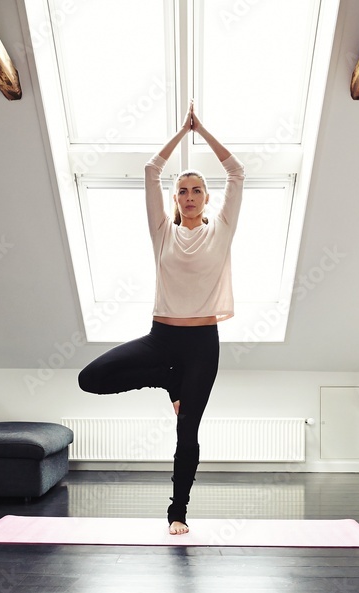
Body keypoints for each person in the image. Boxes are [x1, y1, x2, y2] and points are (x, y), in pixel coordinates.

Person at [78, 103, 245, 535]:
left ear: (207, 198)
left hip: (203, 345)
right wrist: (180, 133)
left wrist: (203, 131)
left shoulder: (222, 229)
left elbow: (237, 173)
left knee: (187, 430)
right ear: (175, 199)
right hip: (161, 337)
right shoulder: (162, 232)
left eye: (196, 191)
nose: (189, 197)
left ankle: (178, 512)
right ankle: (166, 381)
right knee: (91, 378)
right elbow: (151, 169)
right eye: (183, 191)